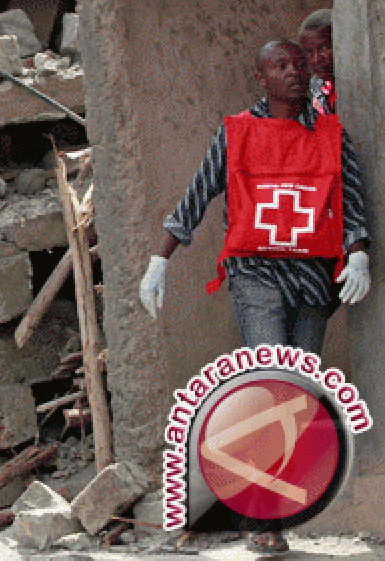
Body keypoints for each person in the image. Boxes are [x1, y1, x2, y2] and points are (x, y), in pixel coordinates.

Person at [138, 39, 370, 553]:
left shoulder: (331, 134)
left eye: (299, 64)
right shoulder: (237, 132)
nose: (294, 73)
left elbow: (351, 201)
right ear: (261, 78)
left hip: (314, 282)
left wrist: (358, 253)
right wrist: (161, 258)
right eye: (280, 66)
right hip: (257, 276)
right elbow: (198, 194)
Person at [298, 8, 335, 114]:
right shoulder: (316, 86)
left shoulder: (355, 86)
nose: (316, 59)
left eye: (323, 48)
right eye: (309, 52)